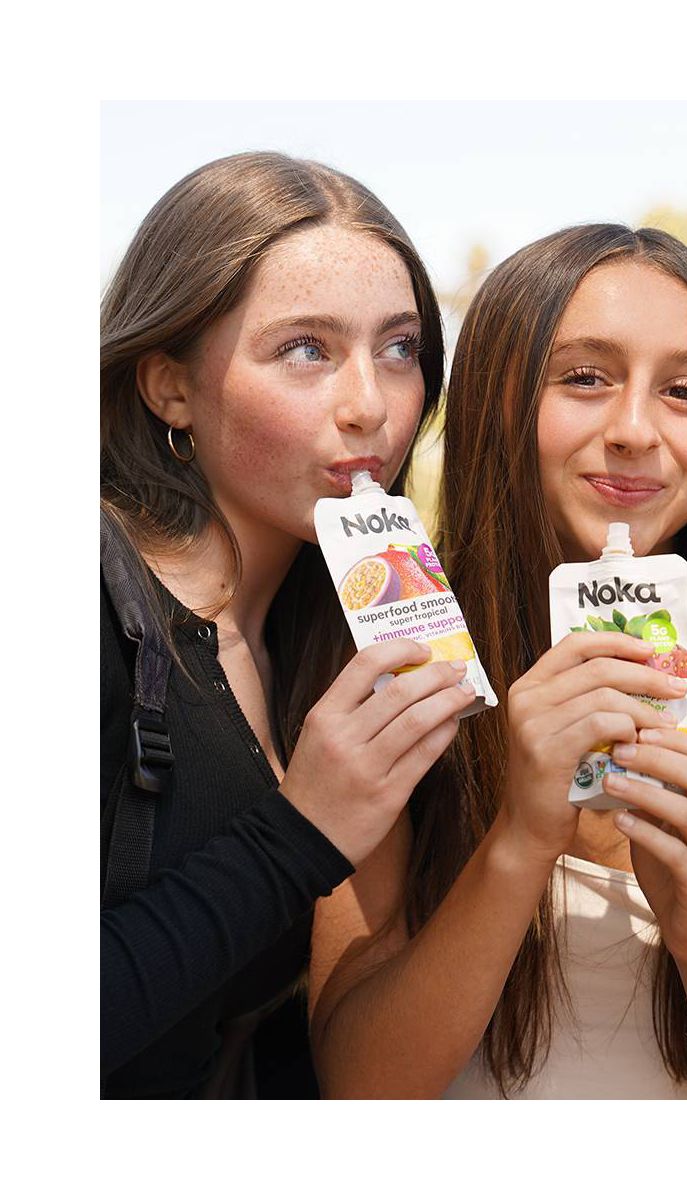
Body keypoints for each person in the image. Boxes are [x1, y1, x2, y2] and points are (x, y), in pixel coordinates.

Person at [308, 224, 687, 1098]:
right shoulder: (392, 659)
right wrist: (520, 842)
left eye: (686, 391)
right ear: (495, 397)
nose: (634, 430)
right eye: (585, 378)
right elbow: (361, 1089)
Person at [101, 152, 478, 1098]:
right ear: (169, 385)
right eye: (305, 349)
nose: (370, 406)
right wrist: (299, 834)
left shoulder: (331, 638)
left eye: (399, 349)